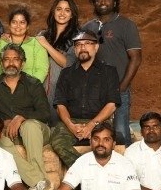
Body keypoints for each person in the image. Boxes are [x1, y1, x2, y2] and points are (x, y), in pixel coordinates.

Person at [50, 29, 121, 169]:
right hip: (72, 121)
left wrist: (91, 125)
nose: (82, 47)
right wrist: (71, 126)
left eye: (87, 43)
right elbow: (60, 104)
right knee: (57, 142)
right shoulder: (66, 73)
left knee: (102, 143)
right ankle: (88, 171)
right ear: (75, 50)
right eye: (78, 45)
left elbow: (112, 104)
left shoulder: (109, 72)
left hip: (100, 121)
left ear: (96, 47)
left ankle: (87, 172)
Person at [82, 0, 142, 146]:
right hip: (94, 90)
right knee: (96, 131)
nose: (103, 2)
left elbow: (136, 58)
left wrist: (122, 87)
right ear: (94, 2)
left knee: (120, 132)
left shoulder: (126, 25)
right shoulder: (88, 27)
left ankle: (125, 161)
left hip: (118, 87)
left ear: (114, 2)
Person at [0, 43, 53, 190]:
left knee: (29, 126)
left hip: (36, 131)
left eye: (16, 59)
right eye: (7, 59)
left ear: (22, 63)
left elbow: (45, 113)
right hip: (9, 133)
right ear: (1, 63)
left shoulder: (34, 84)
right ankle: (39, 182)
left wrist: (21, 118)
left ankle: (37, 182)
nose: (11, 63)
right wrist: (3, 122)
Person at [36, 0, 80, 126]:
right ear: (53, 11)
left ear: (72, 15)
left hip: (62, 90)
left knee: (58, 127)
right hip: (40, 88)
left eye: (67, 10)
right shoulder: (44, 34)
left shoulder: (77, 37)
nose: (62, 13)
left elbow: (68, 63)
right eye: (59, 9)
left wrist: (46, 45)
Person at [0, 6, 49, 83]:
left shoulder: (37, 44)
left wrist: (30, 87)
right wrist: (0, 86)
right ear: (9, 24)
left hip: (29, 88)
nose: (18, 26)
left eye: (22, 22)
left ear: (27, 26)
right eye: (14, 22)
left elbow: (41, 70)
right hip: (1, 87)